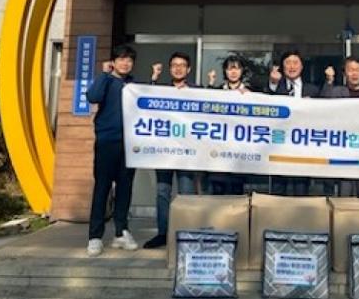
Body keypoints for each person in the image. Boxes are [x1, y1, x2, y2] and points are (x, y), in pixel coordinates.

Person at [143, 52, 200, 249]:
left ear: (188, 69)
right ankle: (163, 233)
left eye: (182, 65)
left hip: (187, 151)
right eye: (174, 65)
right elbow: (144, 103)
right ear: (170, 69)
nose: (178, 68)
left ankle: (187, 233)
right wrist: (153, 79)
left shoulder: (197, 91)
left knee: (186, 193)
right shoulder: (161, 90)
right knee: (162, 192)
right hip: (164, 150)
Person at [86, 45, 138, 257]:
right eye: (121, 59)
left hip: (130, 145)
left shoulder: (134, 85)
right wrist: (104, 74)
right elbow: (93, 96)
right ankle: (95, 236)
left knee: (125, 189)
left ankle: (121, 232)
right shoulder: (106, 80)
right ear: (114, 62)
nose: (125, 63)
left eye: (129, 60)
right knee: (102, 188)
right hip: (107, 142)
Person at [321, 56, 359, 197]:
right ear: (344, 73)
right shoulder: (336, 92)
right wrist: (329, 81)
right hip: (343, 152)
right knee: (344, 194)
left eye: (358, 70)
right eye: (350, 70)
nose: (354, 74)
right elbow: (323, 106)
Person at [266, 50, 320, 195]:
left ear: (301, 66)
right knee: (278, 189)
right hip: (279, 143)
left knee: (300, 189)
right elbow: (265, 103)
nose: (292, 66)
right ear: (282, 67)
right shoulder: (275, 86)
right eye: (288, 63)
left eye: (295, 63)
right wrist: (273, 83)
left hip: (302, 144)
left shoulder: (313, 90)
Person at [206, 55, 251, 195]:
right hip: (218, 150)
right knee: (218, 192)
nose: (233, 72)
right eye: (230, 68)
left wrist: (250, 97)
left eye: (236, 68)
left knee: (237, 194)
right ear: (225, 71)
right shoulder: (218, 91)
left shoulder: (250, 92)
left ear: (242, 71)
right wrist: (210, 85)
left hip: (239, 152)